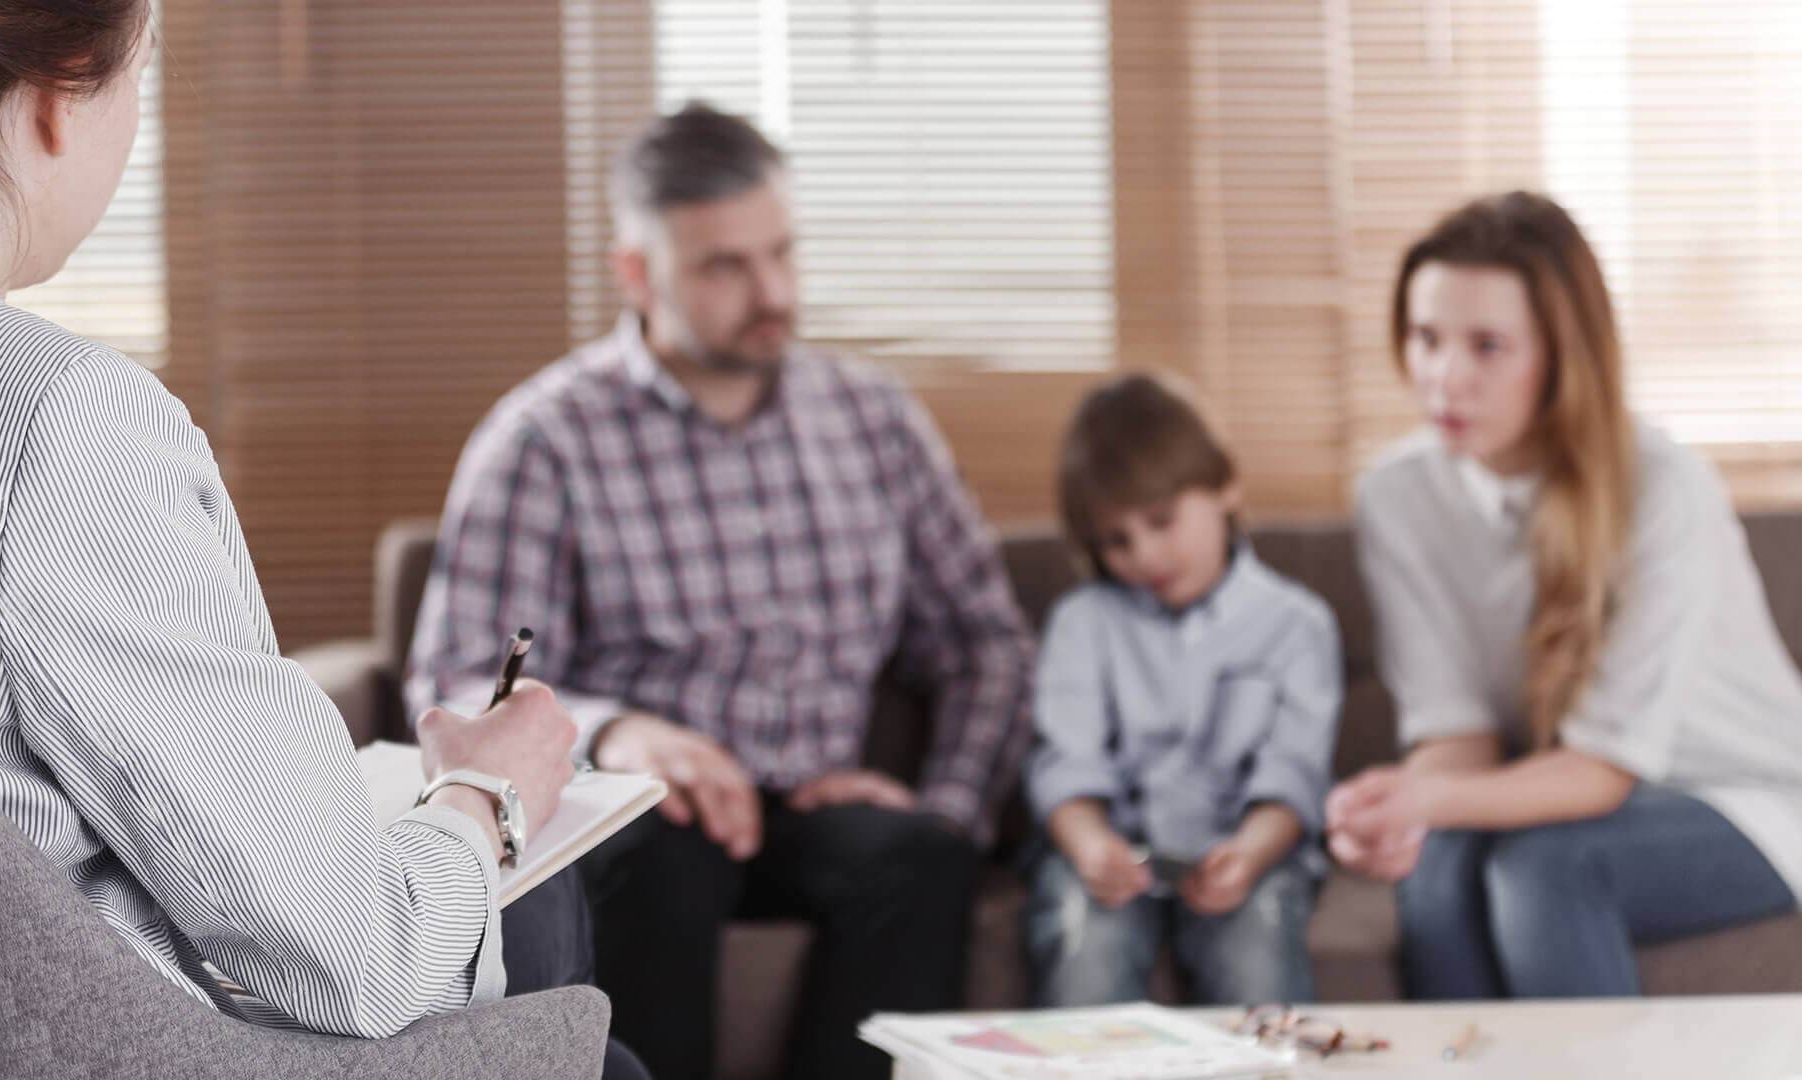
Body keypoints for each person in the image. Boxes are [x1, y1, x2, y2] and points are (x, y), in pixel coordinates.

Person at [0, 3, 641, 1071]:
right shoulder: (52, 421)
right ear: (60, 96)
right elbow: (357, 963)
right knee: (551, 944)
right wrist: (487, 789)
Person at [405, 101, 1037, 1080]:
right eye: (724, 266)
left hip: (821, 804)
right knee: (658, 857)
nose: (771, 291)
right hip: (645, 812)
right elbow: (466, 677)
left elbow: (984, 643)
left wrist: (941, 801)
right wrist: (621, 733)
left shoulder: (875, 422)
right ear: (637, 272)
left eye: (781, 253)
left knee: (922, 859)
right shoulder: (544, 441)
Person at [1327, 191, 1802, 999]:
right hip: (1551, 787)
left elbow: (1602, 772)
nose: (1445, 377)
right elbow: (1458, 731)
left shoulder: (1663, 486)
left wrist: (1427, 794)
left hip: (1742, 796)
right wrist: (1400, 808)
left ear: (1561, 354)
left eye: (1487, 346)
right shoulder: (1398, 496)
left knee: (1549, 869)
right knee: (1438, 873)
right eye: (1426, 337)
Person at [1021, 373, 1342, 1007]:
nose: (1145, 555)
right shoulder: (1083, 622)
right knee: (1087, 937)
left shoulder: (1296, 625)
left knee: (1257, 945)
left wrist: (1249, 853)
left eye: (1162, 521)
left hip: (1247, 852)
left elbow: (1293, 777)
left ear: (1226, 485)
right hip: (1112, 860)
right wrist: (1090, 846)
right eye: (1117, 541)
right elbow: (1066, 765)